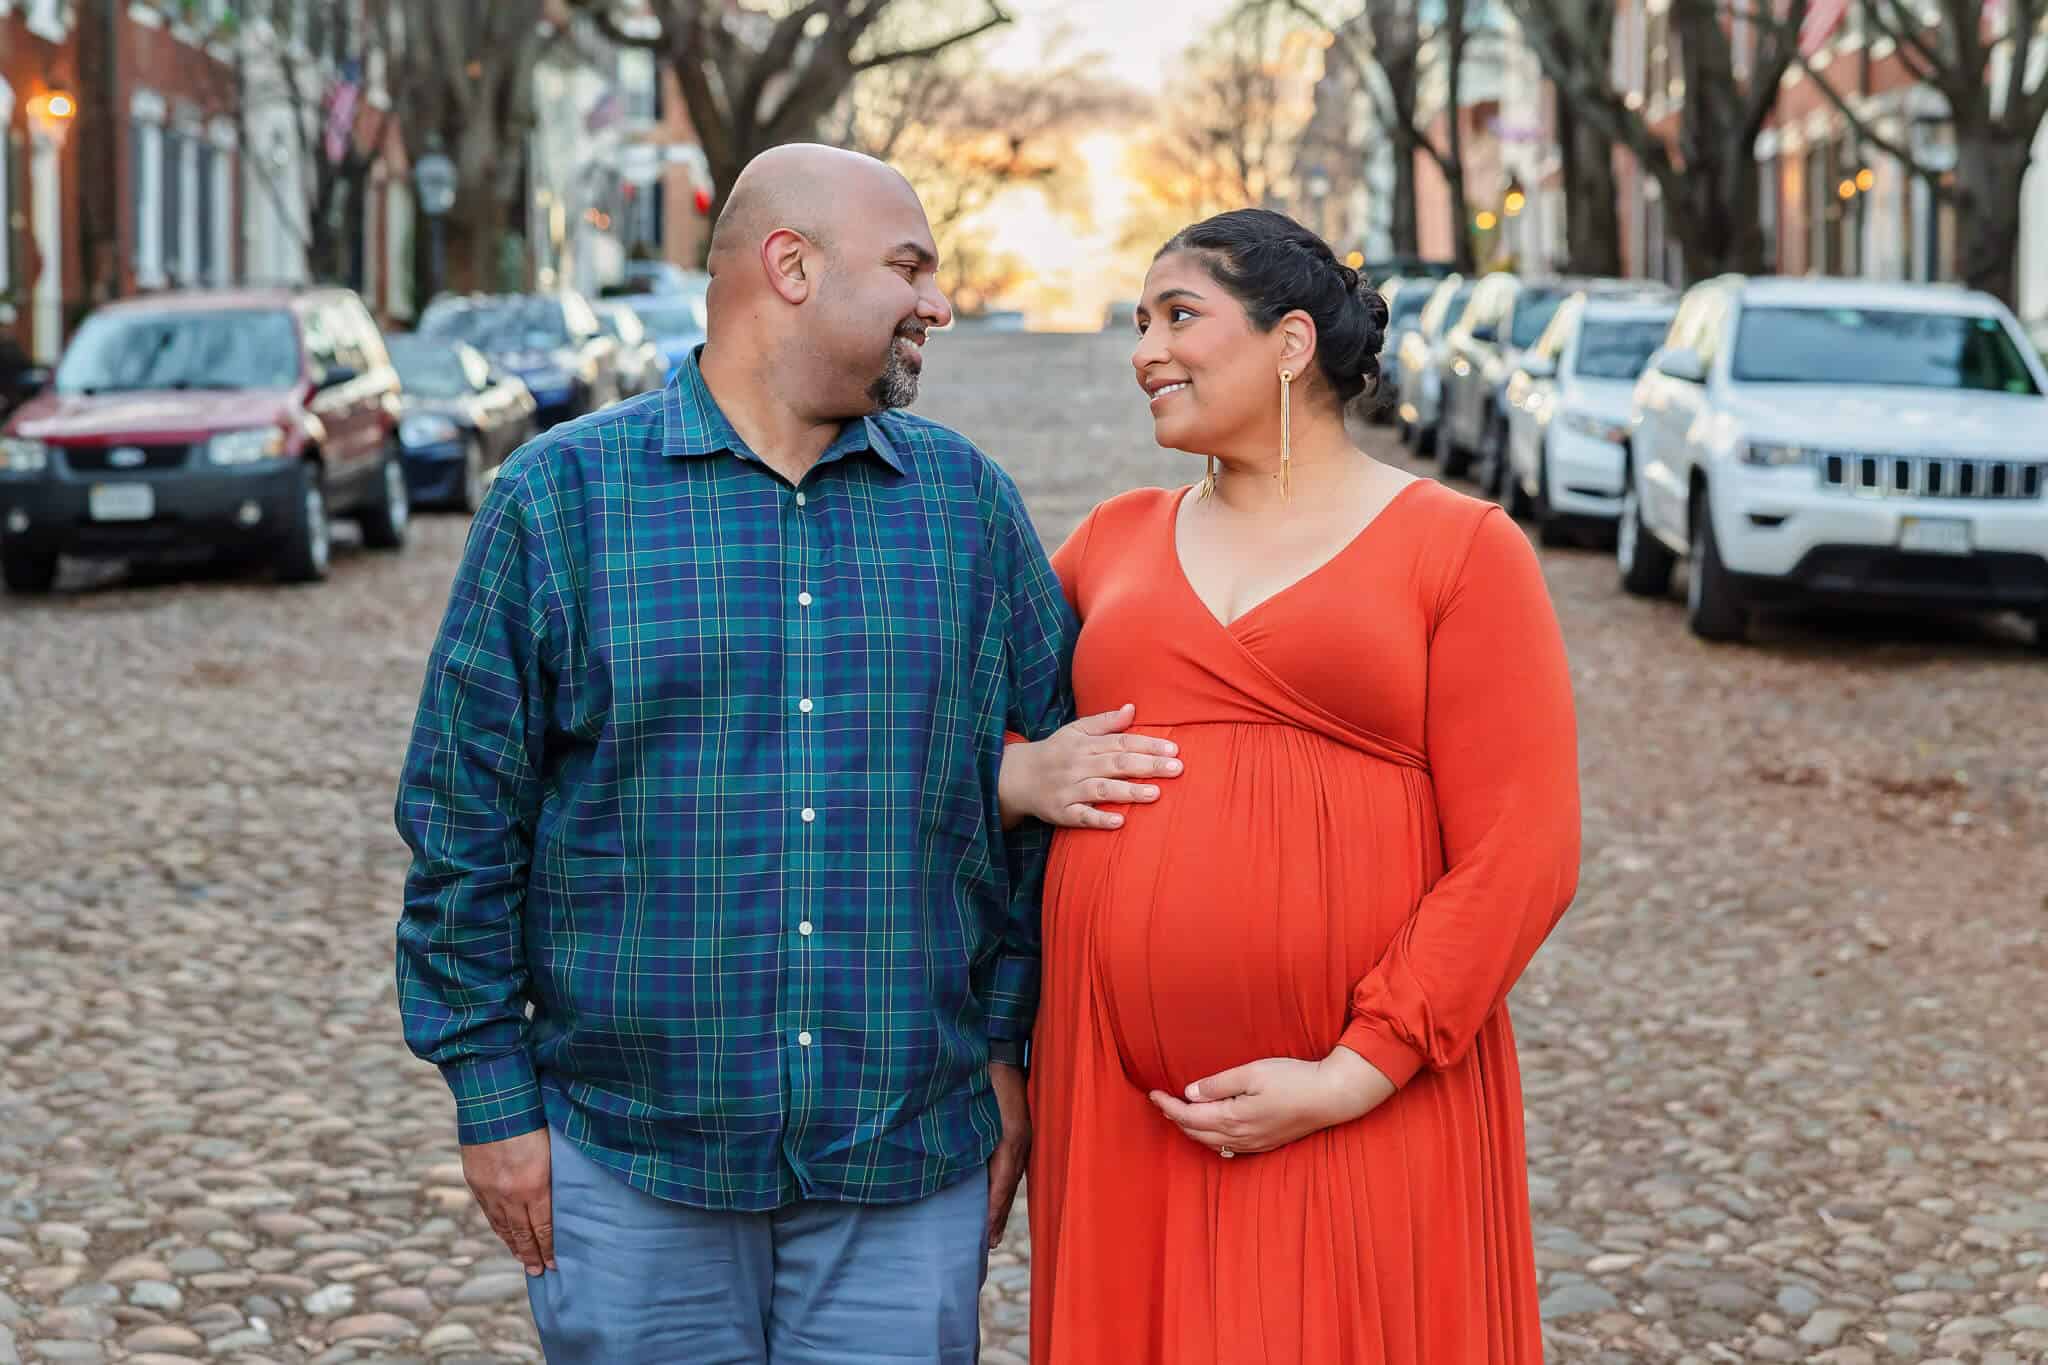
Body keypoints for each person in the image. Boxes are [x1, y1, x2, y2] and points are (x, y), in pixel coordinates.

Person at [393, 144, 1180, 1364]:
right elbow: (462, 827)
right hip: (629, 1153)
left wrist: (1004, 1052)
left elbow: (1053, 795)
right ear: (792, 267)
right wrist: (492, 1100)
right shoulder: (558, 502)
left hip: (905, 1158)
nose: (939, 302)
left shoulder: (965, 509)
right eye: (909, 267)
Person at [1027, 208, 1581, 1364]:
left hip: (1367, 1101)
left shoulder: (1461, 549)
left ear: (1288, 345)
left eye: (1178, 315)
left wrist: (1354, 1070)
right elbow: (945, 739)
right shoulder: (1109, 542)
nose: (1143, 350)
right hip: (1126, 1107)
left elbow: (1520, 851)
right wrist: (1016, 771)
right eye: (1137, 323)